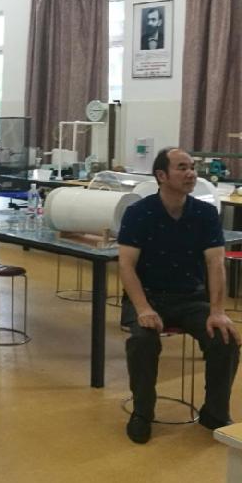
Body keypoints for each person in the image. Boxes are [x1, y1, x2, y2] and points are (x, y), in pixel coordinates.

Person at [119, 147, 240, 444]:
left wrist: (217, 311)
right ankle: (142, 412)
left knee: (224, 338)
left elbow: (215, 264)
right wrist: (143, 308)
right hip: (147, 297)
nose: (191, 174)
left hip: (190, 298)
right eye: (182, 168)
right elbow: (126, 265)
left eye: (192, 168)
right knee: (143, 341)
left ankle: (214, 413)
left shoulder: (205, 213)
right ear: (161, 175)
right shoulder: (139, 212)